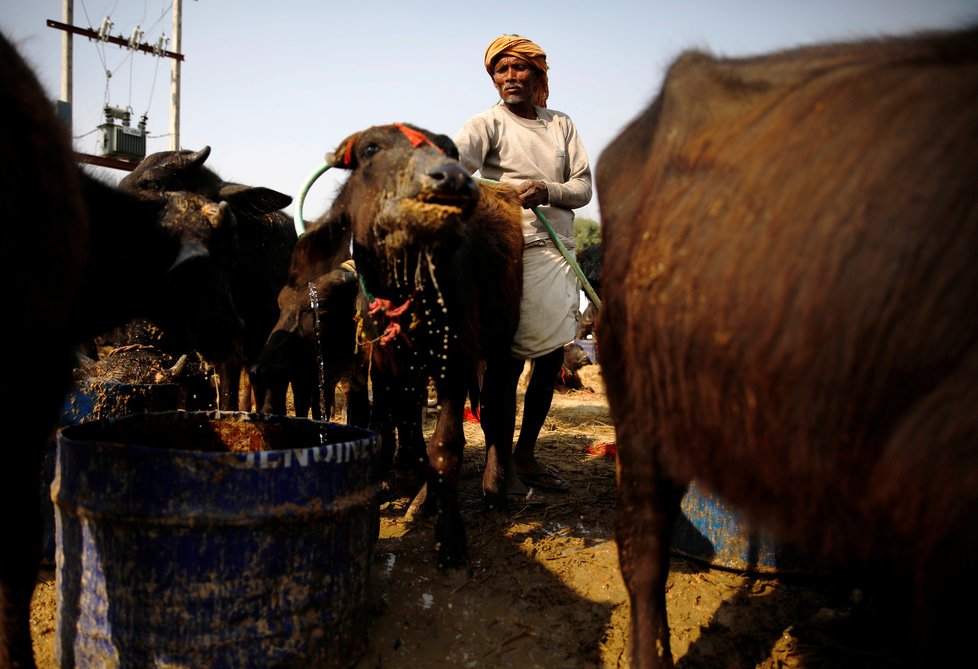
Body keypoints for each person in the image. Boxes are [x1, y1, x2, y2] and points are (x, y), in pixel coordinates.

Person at [455, 34, 592, 503]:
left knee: (551, 357)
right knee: (509, 360)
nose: (510, 78)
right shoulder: (484, 125)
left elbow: (582, 188)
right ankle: (499, 462)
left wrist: (546, 191)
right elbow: (453, 169)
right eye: (501, 70)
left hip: (560, 251)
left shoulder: (562, 126)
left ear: (537, 75)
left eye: (519, 69)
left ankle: (526, 454)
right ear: (493, 77)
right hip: (513, 253)